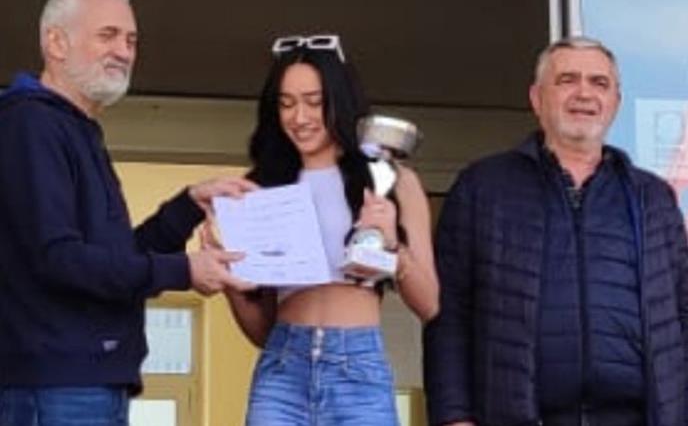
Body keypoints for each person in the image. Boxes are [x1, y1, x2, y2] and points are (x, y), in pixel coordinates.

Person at [0, 0, 253, 426]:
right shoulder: (31, 124)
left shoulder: (75, 130)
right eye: (108, 35)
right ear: (55, 43)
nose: (124, 51)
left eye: (131, 40)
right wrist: (184, 270)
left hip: (87, 384)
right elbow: (58, 260)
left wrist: (188, 206)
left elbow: (114, 264)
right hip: (56, 388)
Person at [423, 36, 688, 426]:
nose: (584, 93)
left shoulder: (652, 197)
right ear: (537, 98)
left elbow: (681, 312)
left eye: (599, 83)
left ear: (615, 102)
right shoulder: (483, 187)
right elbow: (449, 314)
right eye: (567, 80)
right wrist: (454, 416)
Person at [215, 35, 439, 425]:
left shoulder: (394, 180)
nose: (299, 117)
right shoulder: (260, 187)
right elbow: (263, 331)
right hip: (283, 366)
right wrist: (229, 280)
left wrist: (393, 247)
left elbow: (430, 304)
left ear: (339, 101)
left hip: (358, 371)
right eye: (287, 104)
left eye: (314, 102)